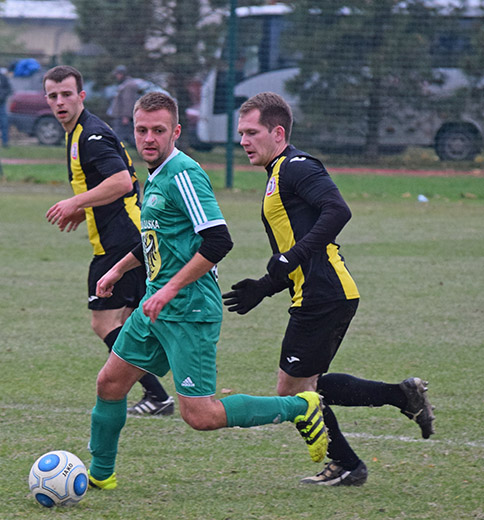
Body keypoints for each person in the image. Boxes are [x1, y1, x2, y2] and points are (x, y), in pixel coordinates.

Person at [86, 91, 330, 491]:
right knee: (109, 384)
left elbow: (218, 242)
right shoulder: (157, 173)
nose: (149, 138)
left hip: (189, 310)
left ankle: (300, 406)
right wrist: (117, 270)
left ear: (176, 132)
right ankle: (99, 475)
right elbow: (156, 237)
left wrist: (170, 290)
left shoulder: (184, 173)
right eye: (142, 129)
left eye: (159, 130)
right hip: (156, 305)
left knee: (201, 416)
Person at [224, 91, 435, 486]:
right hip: (319, 293)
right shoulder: (276, 175)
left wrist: (291, 258)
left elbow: (338, 210)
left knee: (294, 392)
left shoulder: (297, 166)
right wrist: (264, 287)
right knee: (307, 387)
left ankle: (349, 462)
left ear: (278, 132)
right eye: (241, 133)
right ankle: (400, 398)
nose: (243, 141)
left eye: (251, 132)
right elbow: (294, 250)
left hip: (325, 294)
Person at [43, 65, 174, 416]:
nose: (60, 102)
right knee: (130, 325)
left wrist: (75, 201)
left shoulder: (91, 135)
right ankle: (157, 394)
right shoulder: (78, 133)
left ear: (81, 96)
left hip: (121, 240)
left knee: (104, 323)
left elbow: (121, 183)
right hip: (126, 236)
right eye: (53, 96)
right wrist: (81, 208)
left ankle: (158, 394)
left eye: (67, 94)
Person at [106, 65, 141, 146]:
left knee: (120, 137)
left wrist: (126, 117)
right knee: (127, 137)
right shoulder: (125, 84)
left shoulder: (129, 85)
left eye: (117, 74)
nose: (116, 76)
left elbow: (128, 101)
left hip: (122, 117)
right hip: (121, 116)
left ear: (122, 74)